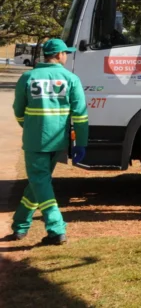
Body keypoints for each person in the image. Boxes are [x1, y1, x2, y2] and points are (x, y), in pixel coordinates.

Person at [9, 39, 88, 245]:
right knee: (39, 183)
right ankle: (20, 225)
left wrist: (29, 126)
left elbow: (18, 110)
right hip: (58, 141)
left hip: (35, 140)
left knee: (39, 182)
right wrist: (81, 142)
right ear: (60, 55)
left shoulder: (28, 76)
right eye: (66, 53)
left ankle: (56, 229)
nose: (67, 56)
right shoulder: (71, 78)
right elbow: (80, 115)